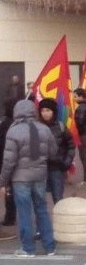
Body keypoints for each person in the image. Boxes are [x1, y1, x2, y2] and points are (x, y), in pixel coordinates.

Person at [0, 99, 57, 257]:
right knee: (42, 209)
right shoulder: (44, 129)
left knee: (24, 212)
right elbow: (53, 153)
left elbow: (8, 161)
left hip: (20, 177)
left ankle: (28, 248)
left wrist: (3, 181)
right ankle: (49, 246)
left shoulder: (14, 130)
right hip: (40, 175)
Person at [38, 98, 75, 203]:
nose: (45, 113)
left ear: (53, 112)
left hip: (57, 168)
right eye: (42, 111)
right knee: (39, 200)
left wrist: (67, 162)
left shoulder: (61, 127)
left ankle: (59, 218)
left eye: (48, 110)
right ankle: (43, 219)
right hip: (40, 169)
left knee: (58, 198)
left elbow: (71, 146)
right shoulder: (36, 127)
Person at [0, 99, 17, 239]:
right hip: (12, 161)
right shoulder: (13, 124)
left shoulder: (5, 124)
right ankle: (11, 216)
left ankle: (10, 216)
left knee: (8, 190)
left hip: (6, 160)